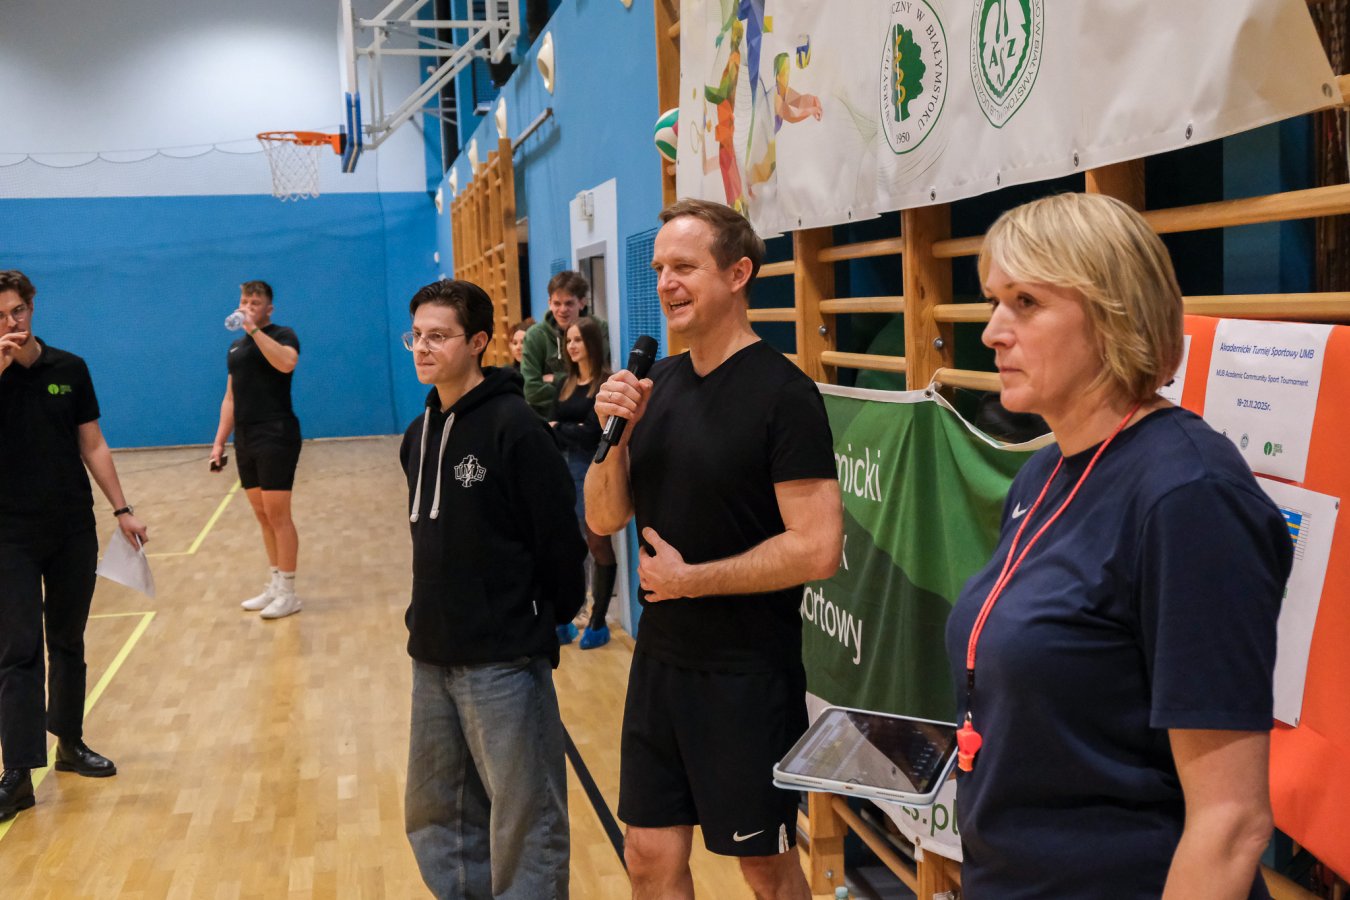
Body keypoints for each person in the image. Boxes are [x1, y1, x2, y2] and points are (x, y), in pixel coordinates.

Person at [945, 193, 1293, 899]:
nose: (992, 332)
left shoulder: (1188, 496)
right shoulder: (1046, 469)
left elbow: (1231, 822)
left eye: (1025, 303)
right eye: (993, 301)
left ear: (1114, 315)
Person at [586, 199, 842, 899]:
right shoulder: (655, 385)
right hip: (660, 665)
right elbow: (605, 515)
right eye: (658, 268)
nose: (665, 282)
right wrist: (614, 437)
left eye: (684, 266)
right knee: (647, 857)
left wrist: (693, 580)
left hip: (746, 675)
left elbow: (818, 548)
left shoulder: (784, 395)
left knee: (765, 869)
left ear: (737, 273)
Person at [399, 278, 586, 899]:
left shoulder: (517, 428)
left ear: (478, 341)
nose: (424, 348)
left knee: (524, 822)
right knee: (437, 818)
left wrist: (539, 620)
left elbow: (559, 541)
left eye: (439, 336)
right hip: (432, 655)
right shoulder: (418, 434)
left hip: (503, 661)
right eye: (416, 336)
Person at [0, 270, 149, 822]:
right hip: (8, 534)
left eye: (16, 311)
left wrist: (122, 510)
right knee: (18, 648)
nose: (10, 323)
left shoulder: (70, 368)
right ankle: (17, 772)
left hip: (70, 529)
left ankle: (70, 743)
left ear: (32, 307)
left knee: (67, 640)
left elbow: (94, 443)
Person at [209, 280, 303, 619]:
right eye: (244, 301)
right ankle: (276, 584)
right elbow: (230, 398)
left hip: (276, 433)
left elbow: (287, 363)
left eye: (255, 302)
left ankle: (289, 593)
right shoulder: (236, 348)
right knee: (262, 514)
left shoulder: (283, 335)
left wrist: (253, 330)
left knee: (278, 515)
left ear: (268, 309)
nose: (247, 306)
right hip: (245, 437)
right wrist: (219, 441)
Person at [550, 318, 617, 650]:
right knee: (568, 544)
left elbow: (592, 433)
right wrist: (567, 428)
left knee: (597, 542)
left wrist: (562, 428)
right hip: (564, 470)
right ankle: (567, 616)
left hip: (595, 470)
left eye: (577, 339)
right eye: (568, 340)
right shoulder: (565, 383)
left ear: (591, 343)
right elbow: (551, 426)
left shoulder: (606, 383)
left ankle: (598, 621)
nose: (571, 346)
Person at [521, 271, 608, 417]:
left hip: (590, 419)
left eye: (569, 303)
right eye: (557, 303)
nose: (562, 310)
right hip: (547, 421)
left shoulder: (599, 329)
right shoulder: (535, 336)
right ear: (549, 303)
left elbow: (599, 378)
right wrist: (578, 393)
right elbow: (531, 391)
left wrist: (555, 379)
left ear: (582, 303)